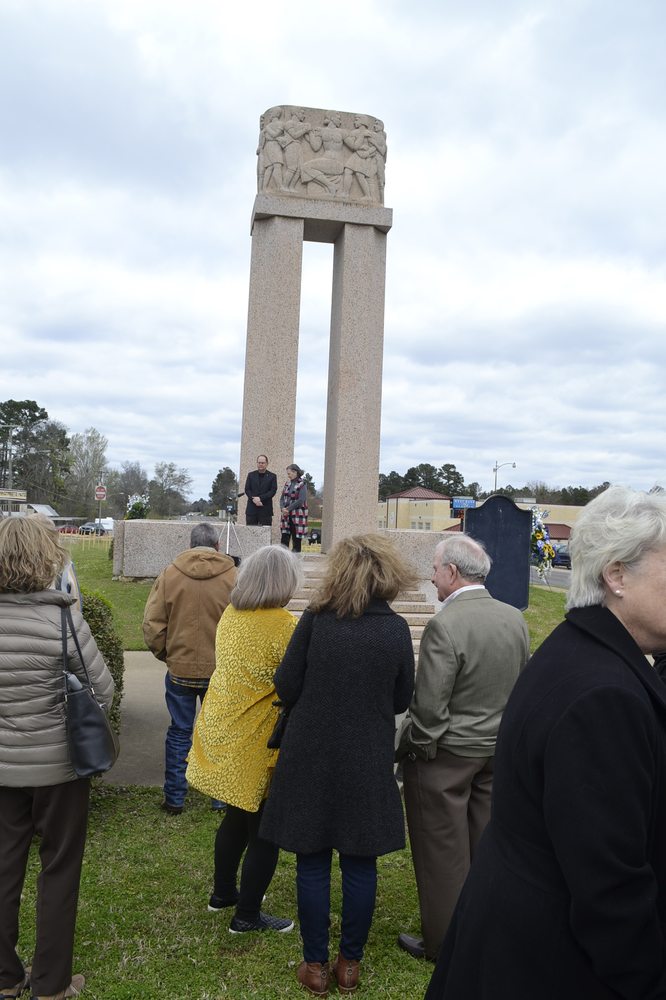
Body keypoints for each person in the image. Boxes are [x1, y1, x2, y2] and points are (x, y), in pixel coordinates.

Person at [425, 486, 666, 1000]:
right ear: (617, 575)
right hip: (550, 962)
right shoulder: (604, 697)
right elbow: (610, 889)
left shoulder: (576, 647)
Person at [260, 534, 416, 996]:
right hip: (366, 754)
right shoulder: (395, 629)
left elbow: (286, 685)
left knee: (311, 862)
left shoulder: (316, 621)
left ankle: (315, 966)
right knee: (359, 862)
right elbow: (400, 699)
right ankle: (349, 965)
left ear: (339, 571)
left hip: (310, 753)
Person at [397, 534, 529, 961]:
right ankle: (486, 930)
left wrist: (414, 748)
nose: (431, 577)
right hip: (496, 749)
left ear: (452, 572)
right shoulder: (514, 618)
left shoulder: (445, 624)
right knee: (485, 846)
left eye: (434, 569)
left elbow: (430, 705)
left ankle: (445, 942)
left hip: (448, 753)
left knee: (442, 853)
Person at [0, 515, 114, 1000]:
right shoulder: (64, 618)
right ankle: (51, 984)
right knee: (60, 868)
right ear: (48, 558)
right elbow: (101, 693)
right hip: (59, 768)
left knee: (3, 868)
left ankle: (4, 979)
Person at [185, 545, 301, 935]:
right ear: (284, 582)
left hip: (222, 727)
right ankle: (247, 915)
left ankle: (223, 894)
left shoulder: (232, 615)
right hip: (255, 739)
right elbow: (295, 681)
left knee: (237, 814)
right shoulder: (284, 624)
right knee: (265, 830)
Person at [142, 523, 237, 814]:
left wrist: (167, 655)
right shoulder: (234, 576)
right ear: (218, 545)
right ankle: (219, 797)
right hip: (219, 670)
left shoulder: (170, 574)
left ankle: (175, 797)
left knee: (180, 731)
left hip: (180, 669)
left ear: (191, 544)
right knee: (218, 732)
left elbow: (152, 625)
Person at [280, 464, 308, 553]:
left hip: (297, 516)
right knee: (284, 538)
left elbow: (301, 500)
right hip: (286, 516)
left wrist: (288, 509)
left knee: (296, 540)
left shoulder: (302, 484)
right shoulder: (287, 484)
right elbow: (281, 498)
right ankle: (283, 558)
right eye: (287, 474)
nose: (288, 475)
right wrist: (282, 509)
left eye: (289, 473)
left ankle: (295, 560)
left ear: (295, 472)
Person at [243, 455, 278, 527]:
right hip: (251, 509)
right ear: (257, 463)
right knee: (250, 533)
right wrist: (254, 499)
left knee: (265, 534)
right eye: (259, 462)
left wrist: (260, 498)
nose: (260, 464)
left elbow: (272, 491)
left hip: (265, 509)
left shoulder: (272, 476)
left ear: (267, 464)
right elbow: (247, 489)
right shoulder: (251, 475)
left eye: (262, 463)